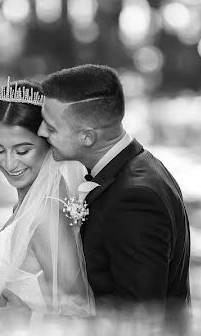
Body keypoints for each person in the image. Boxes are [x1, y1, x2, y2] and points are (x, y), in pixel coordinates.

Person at [38, 64, 190, 309]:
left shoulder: (134, 199)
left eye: (51, 127)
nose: (41, 131)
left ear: (87, 137)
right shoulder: (141, 167)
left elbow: (139, 318)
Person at [0, 78, 95, 322]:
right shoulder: (24, 207)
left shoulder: (46, 213)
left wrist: (29, 320)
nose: (10, 163)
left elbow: (81, 315)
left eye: (22, 151)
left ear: (49, 143)